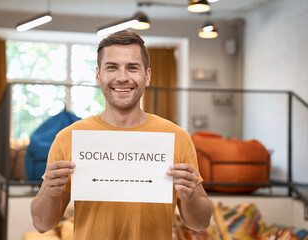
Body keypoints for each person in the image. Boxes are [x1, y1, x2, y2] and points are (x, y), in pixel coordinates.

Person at [31, 30, 212, 239]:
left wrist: (189, 196)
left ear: (147, 76)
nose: (123, 77)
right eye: (112, 67)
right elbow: (41, 224)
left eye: (132, 67)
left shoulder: (176, 138)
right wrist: (49, 192)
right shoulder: (69, 138)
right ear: (98, 75)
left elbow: (200, 223)